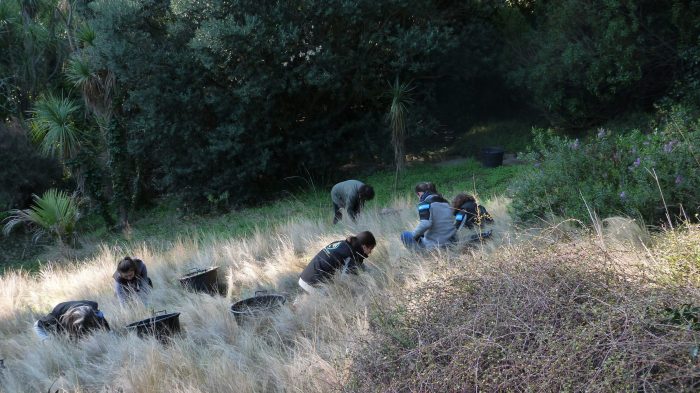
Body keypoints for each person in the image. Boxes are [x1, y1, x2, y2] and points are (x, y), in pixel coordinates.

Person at [298, 231, 376, 294]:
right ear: (364, 247)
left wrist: (374, 273)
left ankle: (297, 304)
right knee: (337, 298)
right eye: (370, 249)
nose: (370, 252)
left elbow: (359, 266)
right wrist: (363, 290)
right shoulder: (350, 254)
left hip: (304, 278)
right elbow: (346, 279)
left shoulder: (344, 244)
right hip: (312, 283)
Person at [401, 182, 456, 250]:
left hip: (435, 245)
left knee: (405, 235)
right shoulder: (446, 203)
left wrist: (413, 236)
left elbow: (425, 224)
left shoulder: (425, 203)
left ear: (419, 193)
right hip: (451, 243)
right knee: (421, 234)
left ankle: (419, 257)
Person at [33, 300, 110, 341]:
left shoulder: (95, 313)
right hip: (41, 327)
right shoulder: (57, 320)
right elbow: (71, 339)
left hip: (76, 316)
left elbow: (107, 330)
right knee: (53, 345)